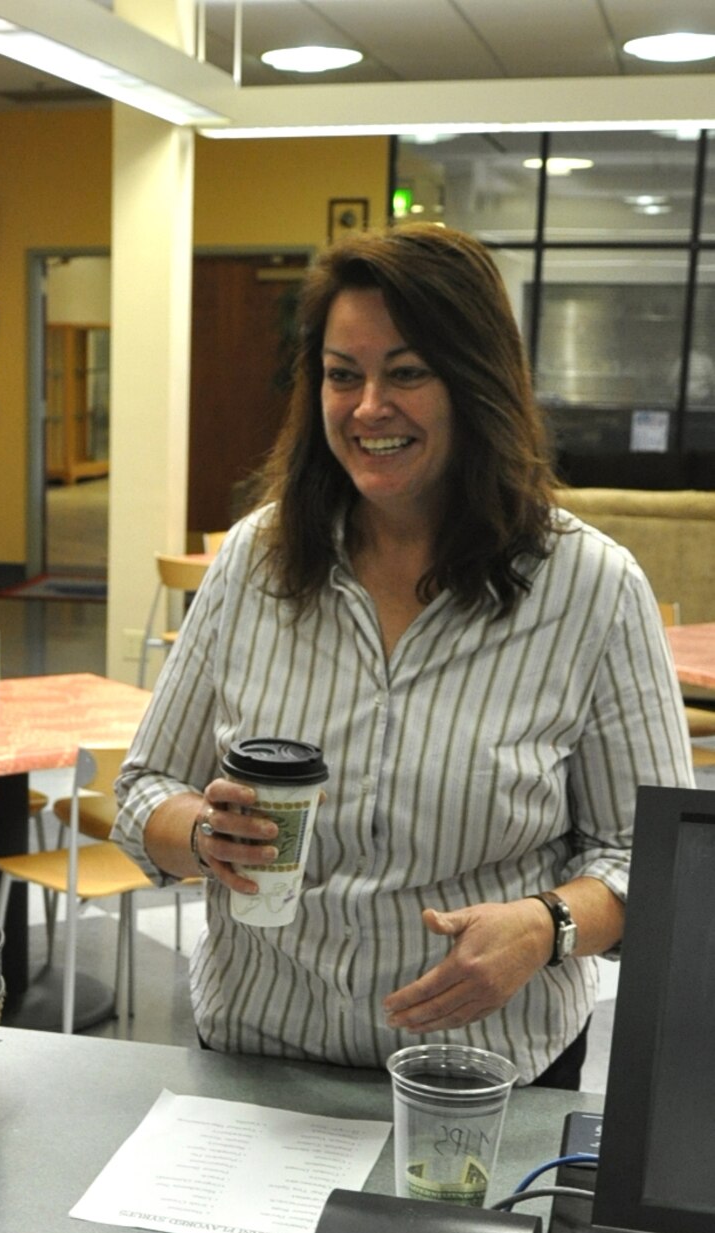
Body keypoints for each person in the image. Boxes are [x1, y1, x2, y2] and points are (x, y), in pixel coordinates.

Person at [115, 224, 694, 1087]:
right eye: (342, 375)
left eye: (407, 372)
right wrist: (205, 837)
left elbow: (653, 859)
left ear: (476, 383)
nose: (366, 408)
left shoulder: (590, 588)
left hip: (484, 1080)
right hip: (257, 1061)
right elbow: (141, 792)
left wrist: (544, 926)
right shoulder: (252, 561)